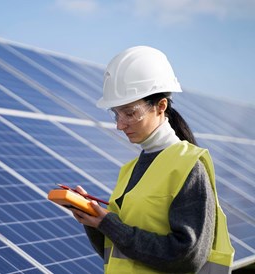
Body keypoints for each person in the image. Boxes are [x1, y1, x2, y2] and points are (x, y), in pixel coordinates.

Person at [70, 46, 234, 273]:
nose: (120, 124)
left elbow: (188, 256)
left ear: (161, 106)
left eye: (130, 113)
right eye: (116, 114)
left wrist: (110, 225)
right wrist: (95, 221)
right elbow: (120, 254)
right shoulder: (130, 170)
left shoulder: (188, 166)